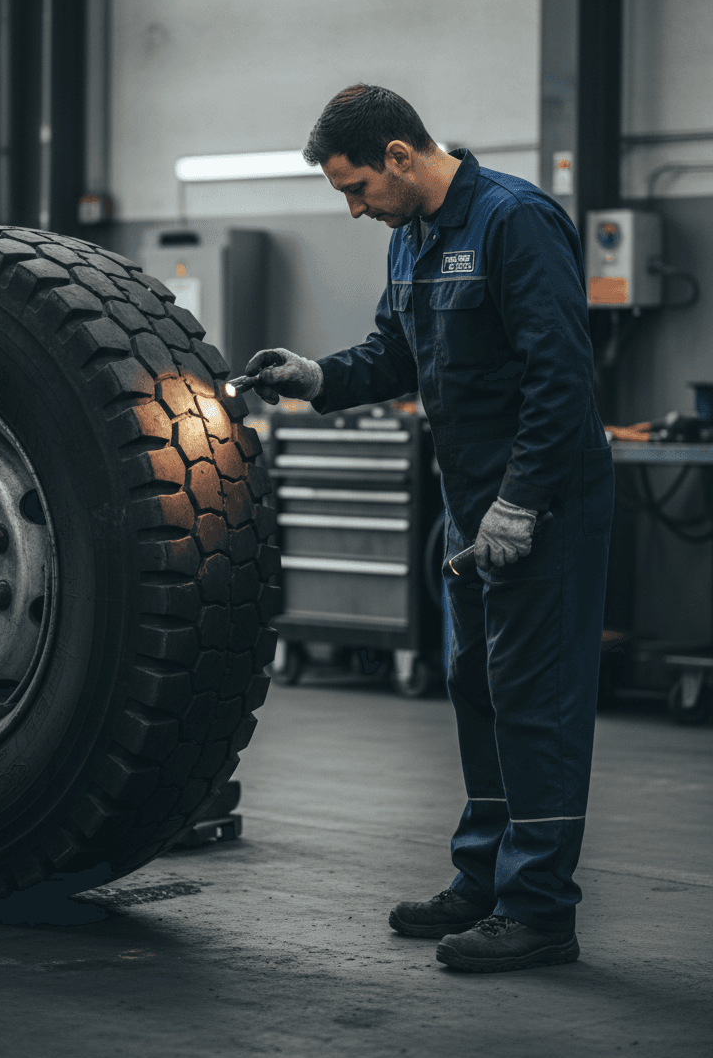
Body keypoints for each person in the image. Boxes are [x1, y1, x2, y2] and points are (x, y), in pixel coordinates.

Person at [246, 83, 614, 973]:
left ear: (401, 157)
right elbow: (395, 353)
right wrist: (317, 378)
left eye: (357, 188)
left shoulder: (513, 222)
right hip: (470, 504)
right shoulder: (411, 237)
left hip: (543, 503)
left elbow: (560, 379)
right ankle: (483, 879)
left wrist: (521, 503)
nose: (352, 208)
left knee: (537, 700)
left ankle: (539, 912)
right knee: (477, 687)